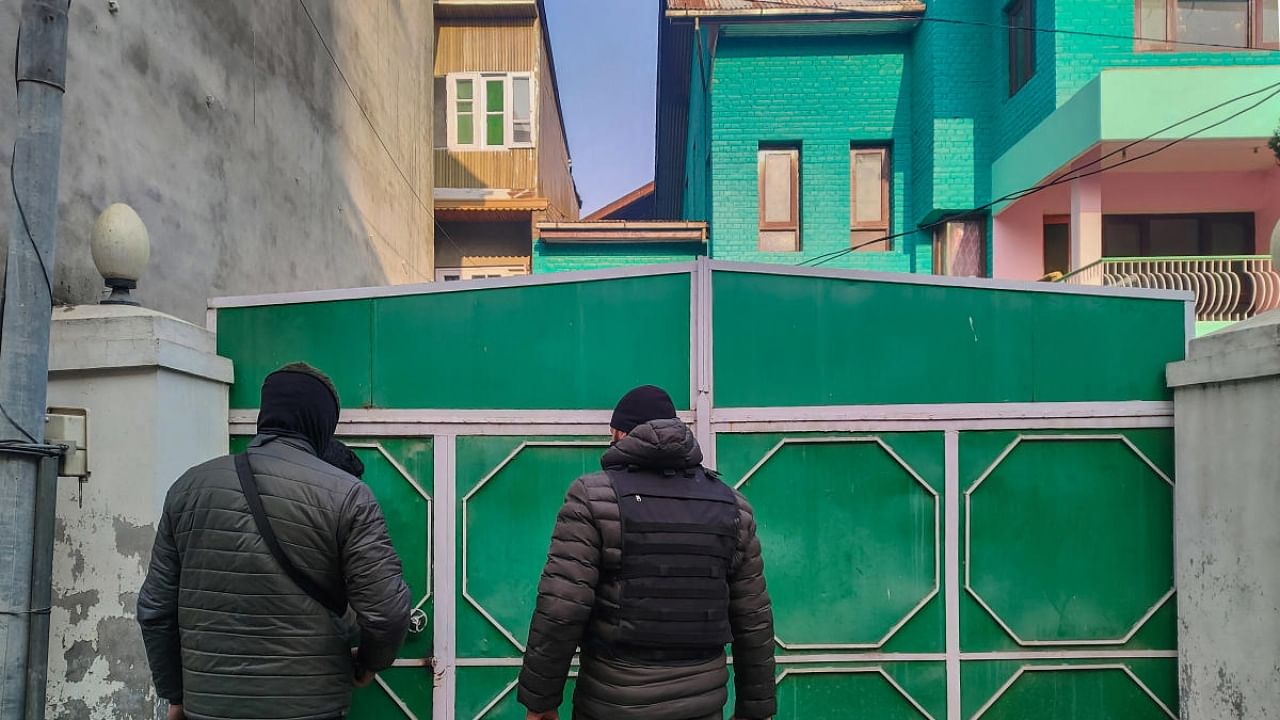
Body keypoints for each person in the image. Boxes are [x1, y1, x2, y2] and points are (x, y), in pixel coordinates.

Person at [138, 363, 412, 720]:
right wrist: (369, 664)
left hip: (210, 707)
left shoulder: (187, 489)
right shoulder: (349, 496)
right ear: (321, 423)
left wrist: (175, 695)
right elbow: (387, 613)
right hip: (311, 706)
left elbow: (155, 610)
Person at [518, 385, 776, 720]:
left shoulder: (592, 496)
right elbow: (753, 619)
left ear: (620, 433)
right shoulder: (732, 506)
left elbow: (561, 608)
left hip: (614, 702)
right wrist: (756, 711)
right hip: (701, 704)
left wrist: (540, 703)